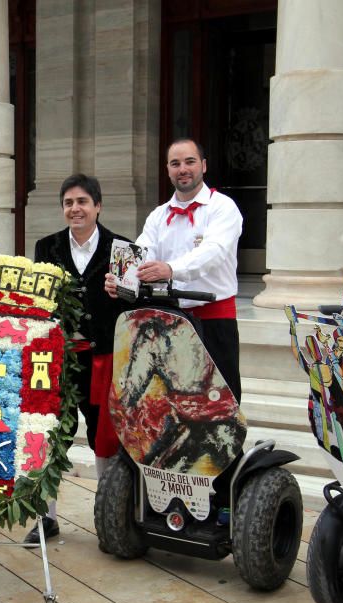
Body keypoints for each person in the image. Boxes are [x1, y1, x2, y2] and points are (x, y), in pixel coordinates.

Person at [29, 174, 130, 543]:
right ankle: (45, 519)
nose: (76, 209)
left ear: (97, 206)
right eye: (69, 202)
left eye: (83, 202)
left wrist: (124, 294)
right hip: (60, 360)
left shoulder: (123, 248)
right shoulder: (46, 248)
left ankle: (107, 520)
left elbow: (137, 303)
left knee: (105, 437)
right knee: (52, 434)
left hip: (104, 357)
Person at [105, 137, 243, 401]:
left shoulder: (223, 207)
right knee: (174, 400)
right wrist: (121, 281)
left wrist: (170, 269)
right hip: (169, 319)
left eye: (190, 162)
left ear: (203, 165)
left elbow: (212, 253)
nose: (183, 169)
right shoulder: (158, 215)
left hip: (214, 319)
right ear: (168, 170)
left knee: (221, 400)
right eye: (175, 163)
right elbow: (142, 256)